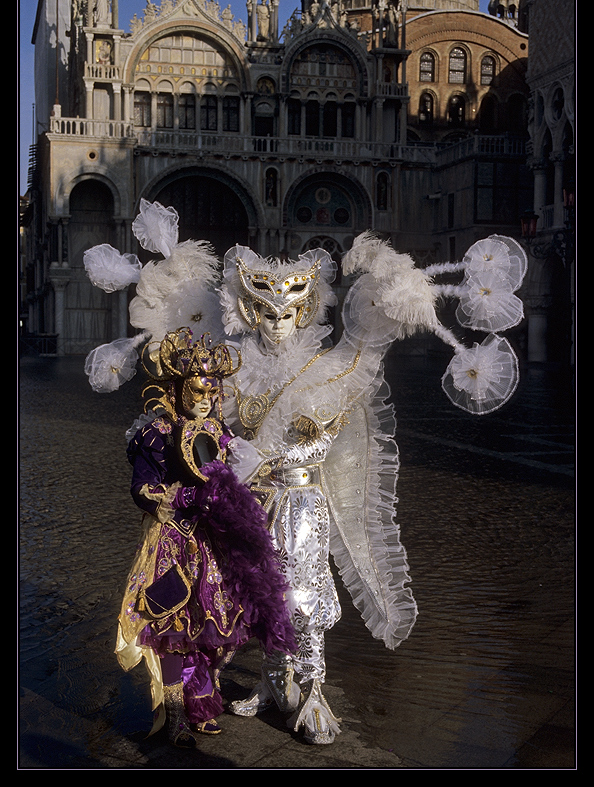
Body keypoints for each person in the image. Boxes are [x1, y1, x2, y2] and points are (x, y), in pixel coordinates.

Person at [85, 200, 526, 746]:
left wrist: (271, 457)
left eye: (289, 311)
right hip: (249, 505)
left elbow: (327, 431)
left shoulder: (331, 367)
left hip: (300, 502)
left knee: (303, 596)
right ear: (247, 311)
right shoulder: (235, 367)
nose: (277, 322)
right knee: (254, 592)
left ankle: (312, 690)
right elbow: (204, 422)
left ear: (306, 310)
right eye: (265, 311)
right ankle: (273, 684)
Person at [114, 328, 296, 747]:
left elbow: (235, 474)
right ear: (177, 389)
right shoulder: (156, 434)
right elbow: (143, 487)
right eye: (196, 390)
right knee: (174, 621)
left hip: (213, 541)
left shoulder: (218, 431)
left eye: (212, 391)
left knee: (217, 620)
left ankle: (202, 700)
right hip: (174, 540)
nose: (204, 398)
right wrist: (183, 495)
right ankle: (176, 714)